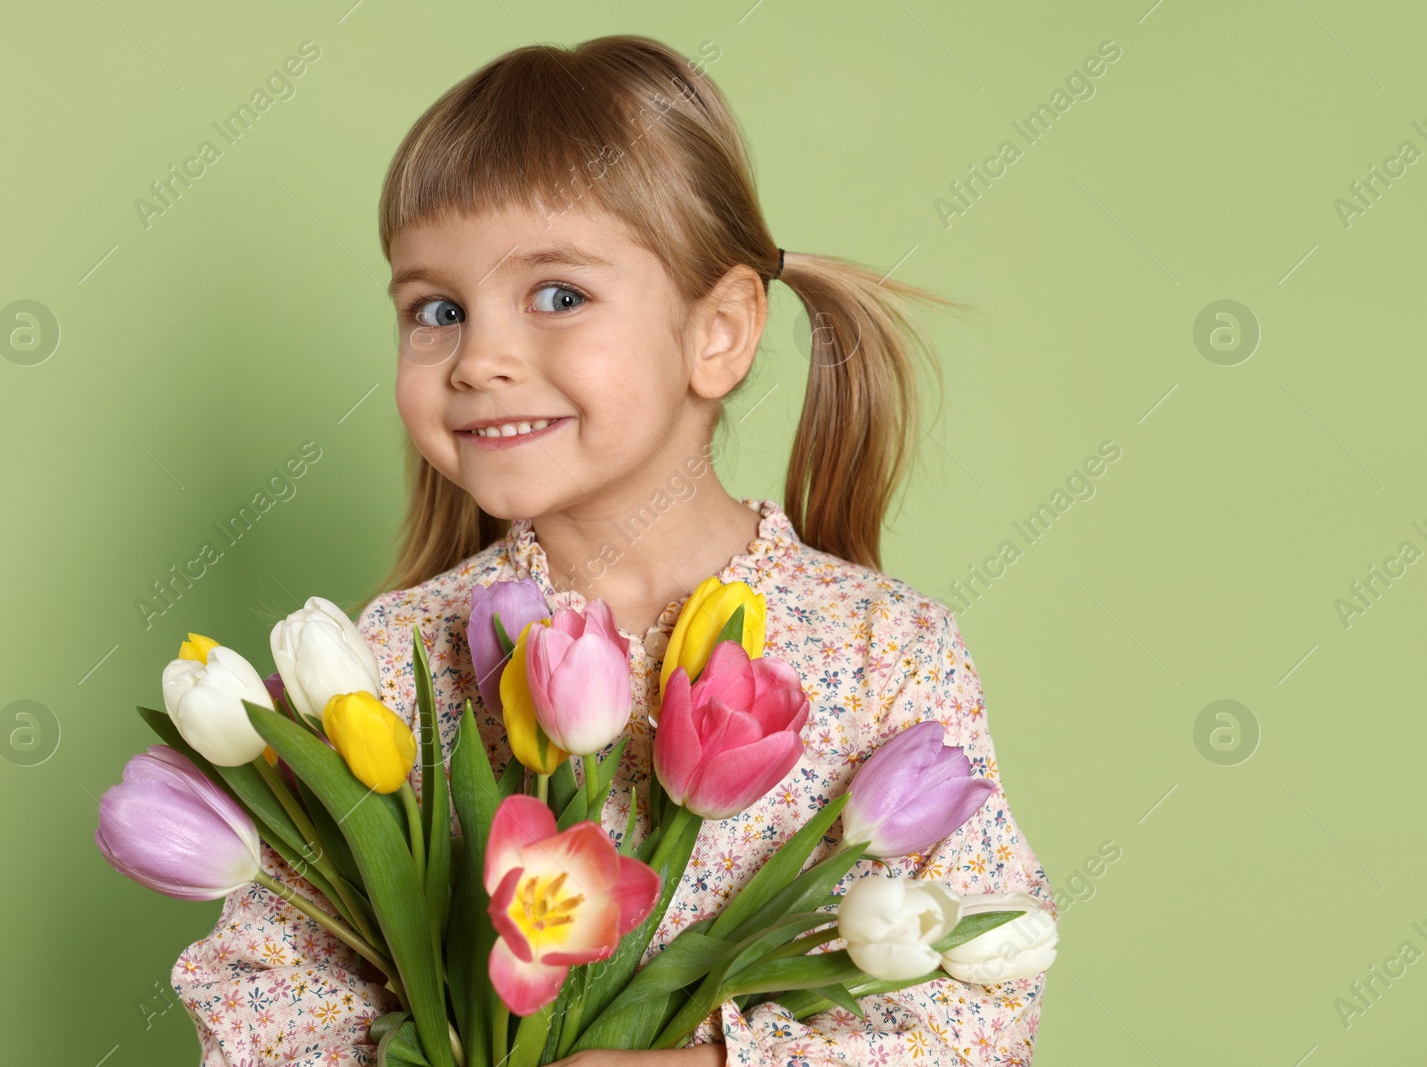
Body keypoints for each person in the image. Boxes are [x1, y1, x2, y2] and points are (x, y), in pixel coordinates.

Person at [172, 34, 1051, 1066]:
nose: (480, 359)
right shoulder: (394, 657)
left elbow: (981, 1001)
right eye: (437, 311)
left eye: (557, 295)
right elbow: (261, 989)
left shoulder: (883, 648)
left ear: (717, 332)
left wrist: (709, 1064)